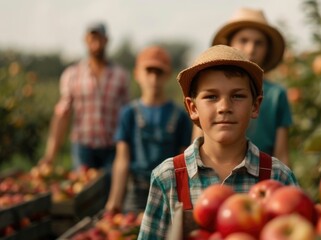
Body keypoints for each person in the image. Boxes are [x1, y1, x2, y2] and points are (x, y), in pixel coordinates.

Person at [137, 45, 298, 239]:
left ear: (255, 106)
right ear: (192, 107)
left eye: (237, 96)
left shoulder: (278, 178)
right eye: (211, 97)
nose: (224, 107)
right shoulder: (168, 178)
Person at [193, 7, 293, 165]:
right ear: (229, 44)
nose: (251, 49)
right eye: (243, 40)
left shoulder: (276, 95)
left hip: (261, 177)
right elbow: (198, 138)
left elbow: (282, 153)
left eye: (258, 43)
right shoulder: (209, 88)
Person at [105, 46, 192, 213]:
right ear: (137, 74)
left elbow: (184, 161)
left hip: (169, 190)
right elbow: (122, 160)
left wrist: (185, 200)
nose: (153, 78)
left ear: (167, 76)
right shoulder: (128, 114)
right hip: (136, 191)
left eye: (159, 72)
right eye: (149, 71)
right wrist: (114, 201)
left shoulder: (179, 115)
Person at [38, 22, 130, 176]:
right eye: (91, 39)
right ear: (85, 41)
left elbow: (127, 116)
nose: (95, 44)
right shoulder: (72, 74)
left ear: (106, 40)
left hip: (112, 147)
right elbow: (62, 114)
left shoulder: (120, 75)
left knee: (109, 191)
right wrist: (50, 155)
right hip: (83, 147)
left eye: (99, 39)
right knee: (84, 191)